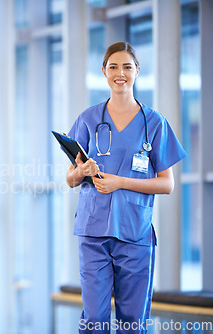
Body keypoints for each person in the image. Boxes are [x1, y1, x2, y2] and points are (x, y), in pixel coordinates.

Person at [65, 42, 186, 334]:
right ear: (104, 72)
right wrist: (81, 171)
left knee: (133, 323)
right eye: (114, 67)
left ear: (138, 71)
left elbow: (167, 184)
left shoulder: (154, 123)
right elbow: (70, 179)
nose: (121, 73)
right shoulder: (88, 119)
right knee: (94, 320)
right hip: (93, 233)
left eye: (127, 67)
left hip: (135, 234)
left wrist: (121, 182)